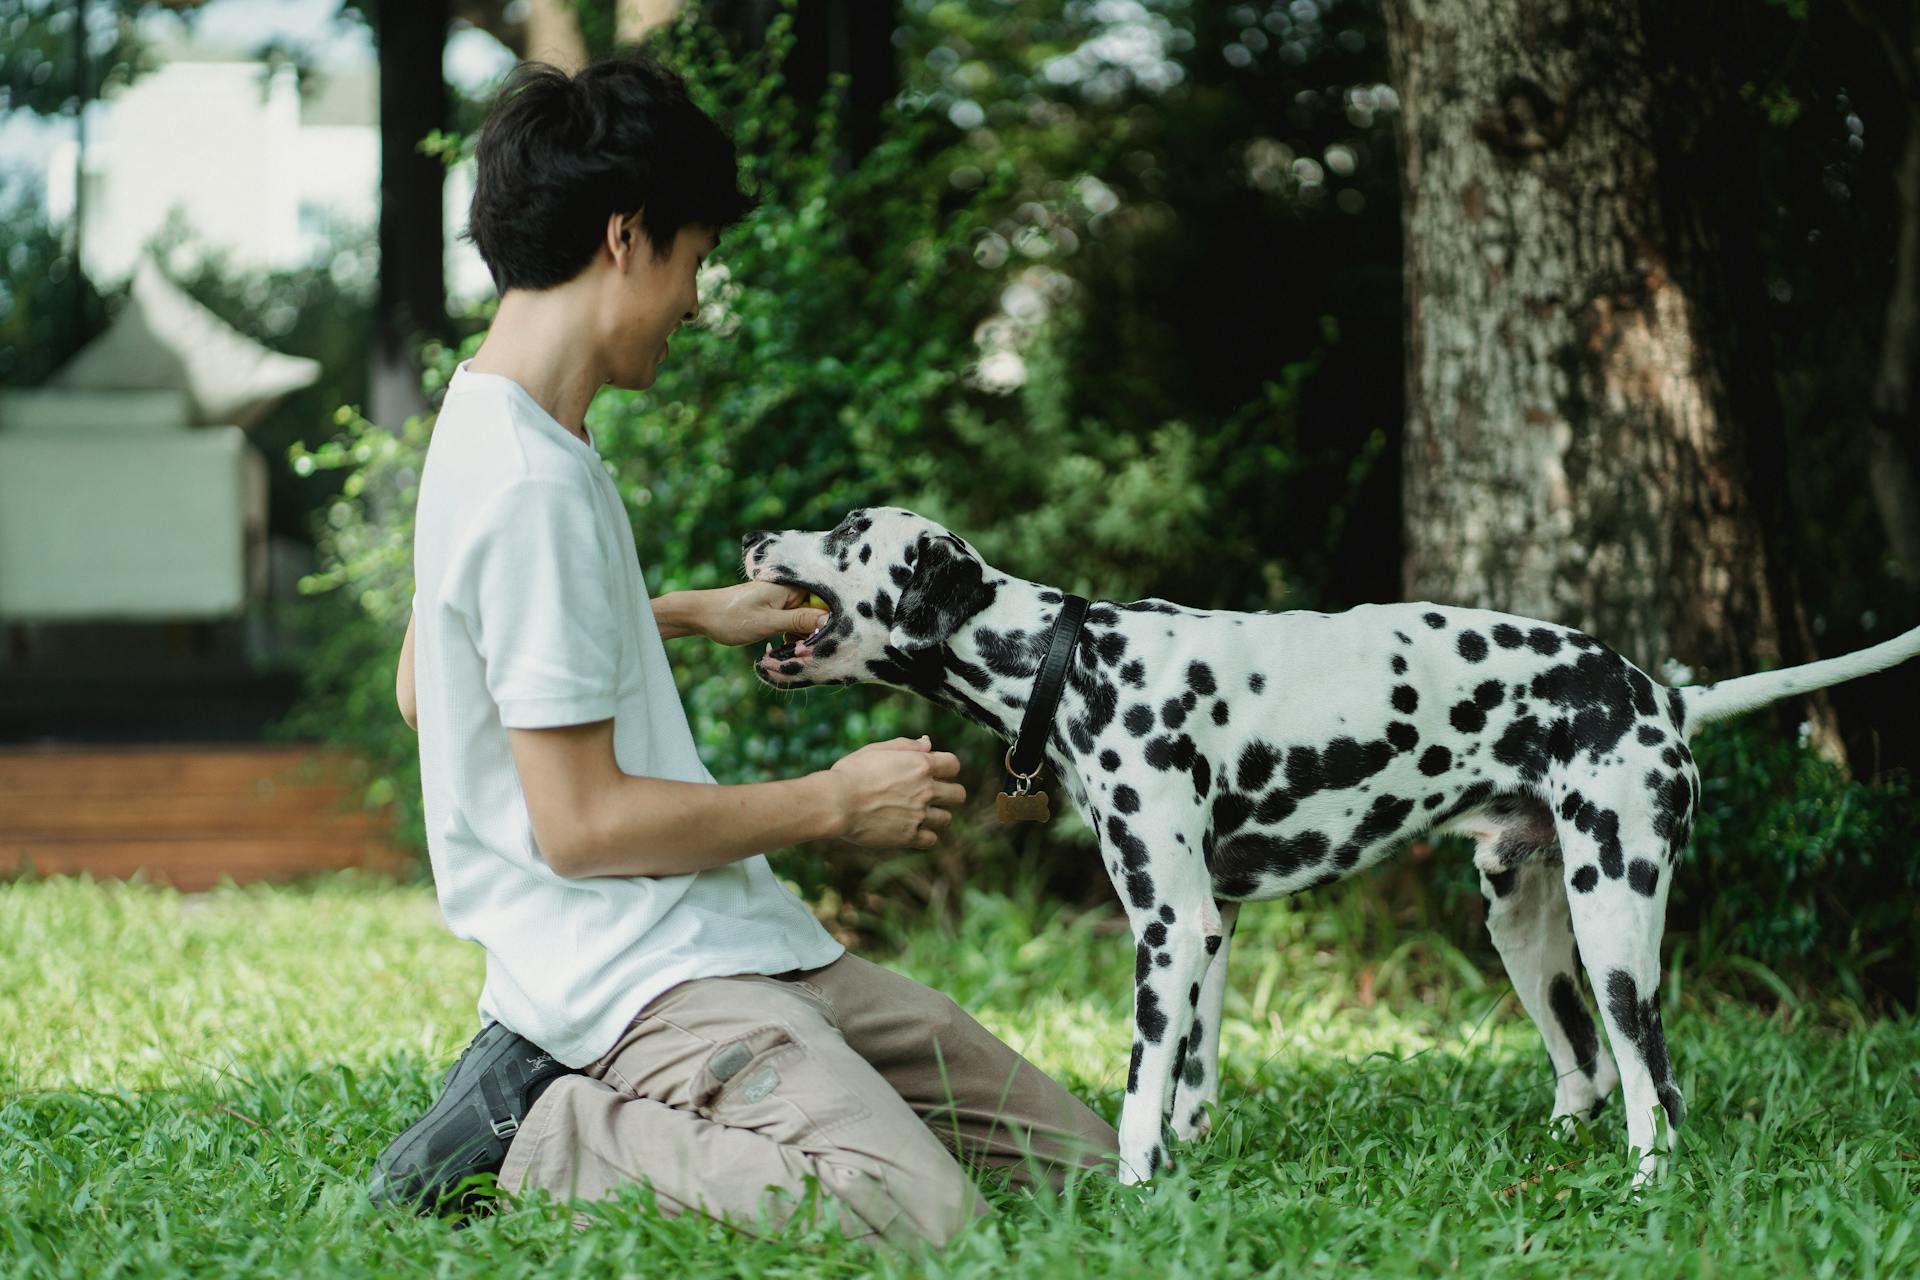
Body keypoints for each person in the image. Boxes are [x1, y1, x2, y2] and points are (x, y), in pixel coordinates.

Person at [365, 51, 1116, 1246]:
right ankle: (541, 1133)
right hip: (635, 976)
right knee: (923, 1216)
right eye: (696, 259)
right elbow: (583, 824)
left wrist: (678, 611)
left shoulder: (499, 422)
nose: (697, 299)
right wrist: (832, 800)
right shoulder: (528, 486)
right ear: (627, 237)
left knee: (1082, 1166)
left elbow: (431, 682)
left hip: (735, 934)